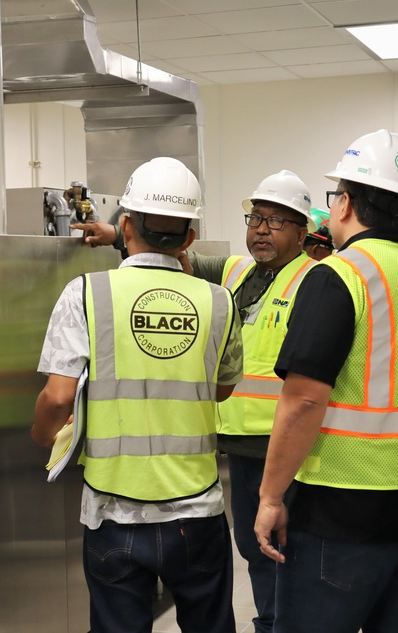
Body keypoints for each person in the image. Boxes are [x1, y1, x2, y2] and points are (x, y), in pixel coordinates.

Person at [76, 169, 316, 633]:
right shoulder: (236, 273)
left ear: (303, 233)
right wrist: (118, 235)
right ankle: (271, 622)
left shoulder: (316, 280)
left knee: (287, 552)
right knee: (254, 550)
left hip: (287, 446)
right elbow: (169, 255)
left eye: (277, 221)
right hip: (238, 445)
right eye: (256, 218)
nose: (261, 230)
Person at [254, 130, 398, 633]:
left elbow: (304, 400)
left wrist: (269, 497)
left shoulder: (340, 276)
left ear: (345, 203)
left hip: (343, 508)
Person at [32, 157, 244, 633]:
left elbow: (58, 396)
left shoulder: (85, 293)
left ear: (125, 225)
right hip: (198, 509)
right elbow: (223, 389)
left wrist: (43, 434)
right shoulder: (218, 300)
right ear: (190, 238)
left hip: (113, 511)